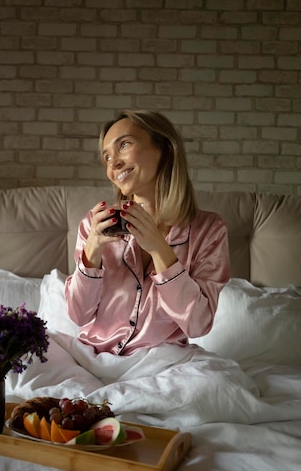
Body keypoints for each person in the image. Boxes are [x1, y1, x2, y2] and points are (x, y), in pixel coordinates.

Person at [65, 110, 230, 355]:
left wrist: (159, 249)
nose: (113, 164)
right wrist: (92, 251)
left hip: (162, 365)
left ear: (165, 148)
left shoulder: (209, 231)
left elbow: (198, 324)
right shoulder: (94, 224)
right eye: (107, 157)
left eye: (125, 145)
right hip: (93, 358)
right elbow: (78, 315)